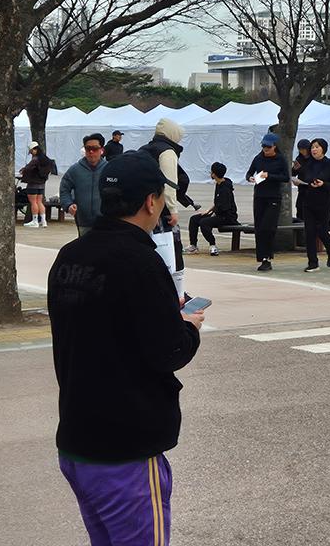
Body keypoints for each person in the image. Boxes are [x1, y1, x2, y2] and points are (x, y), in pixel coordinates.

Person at [48, 150, 204, 546]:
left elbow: (98, 324)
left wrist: (162, 312)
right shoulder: (140, 261)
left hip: (78, 438)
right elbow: (169, 351)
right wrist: (187, 326)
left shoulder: (70, 255)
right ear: (151, 201)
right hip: (125, 450)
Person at [139, 119, 191, 299]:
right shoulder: (167, 152)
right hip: (162, 211)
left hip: (144, 208)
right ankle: (178, 294)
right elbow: (169, 184)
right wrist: (173, 210)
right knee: (173, 252)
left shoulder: (145, 149)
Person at [245, 133, 290, 272]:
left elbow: (286, 177)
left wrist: (269, 176)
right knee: (259, 228)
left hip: (273, 197)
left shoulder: (280, 159)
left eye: (268, 147)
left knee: (268, 227)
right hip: (259, 196)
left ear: (274, 146)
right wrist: (250, 178)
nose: (265, 149)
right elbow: (249, 173)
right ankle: (262, 258)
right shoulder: (258, 158)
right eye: (263, 146)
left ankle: (268, 257)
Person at [294, 138, 330, 273]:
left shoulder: (329, 164)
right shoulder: (307, 163)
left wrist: (323, 184)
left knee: (322, 231)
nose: (314, 150)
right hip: (308, 202)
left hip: (324, 202)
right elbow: (300, 177)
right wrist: (297, 181)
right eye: (312, 147)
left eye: (317, 147)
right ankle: (313, 263)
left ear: (323, 149)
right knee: (309, 232)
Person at [59, 133, 107, 237]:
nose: (91, 152)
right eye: (88, 148)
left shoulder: (109, 169)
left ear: (101, 150)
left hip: (106, 222)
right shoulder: (75, 170)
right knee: (85, 246)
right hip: (83, 221)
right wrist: (68, 204)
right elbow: (64, 189)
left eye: (95, 148)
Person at [186, 163, 238, 256]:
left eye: (211, 172)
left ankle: (212, 245)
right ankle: (193, 246)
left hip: (227, 217)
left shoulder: (225, 189)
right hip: (219, 213)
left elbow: (225, 207)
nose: (210, 173)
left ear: (214, 174)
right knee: (194, 219)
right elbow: (217, 203)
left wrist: (213, 214)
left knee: (204, 222)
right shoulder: (219, 184)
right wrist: (208, 211)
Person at [20, 141, 52, 227]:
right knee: (39, 202)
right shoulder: (45, 159)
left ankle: (35, 221)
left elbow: (28, 168)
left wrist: (23, 171)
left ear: (35, 150)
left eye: (31, 152)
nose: (31, 154)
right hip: (41, 184)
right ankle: (43, 221)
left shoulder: (35, 159)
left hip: (33, 184)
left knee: (33, 202)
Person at [291, 139, 312, 222]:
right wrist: (294, 169)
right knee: (299, 207)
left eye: (304, 149)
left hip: (311, 188)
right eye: (300, 149)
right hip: (302, 188)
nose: (302, 151)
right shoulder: (299, 159)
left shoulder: (313, 159)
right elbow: (293, 173)